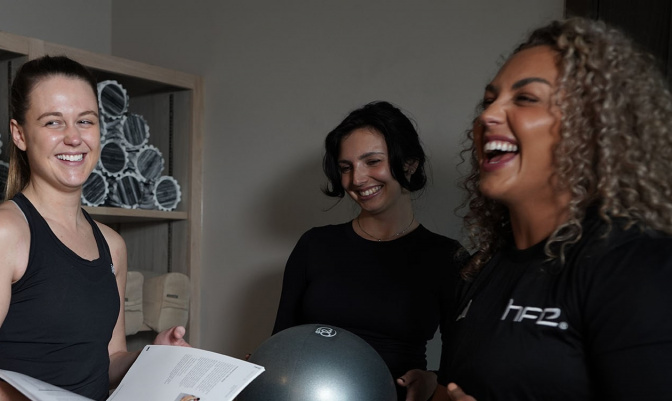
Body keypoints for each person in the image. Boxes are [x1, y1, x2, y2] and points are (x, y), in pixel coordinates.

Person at [439, 18, 672, 401]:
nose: (487, 115)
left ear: (591, 128)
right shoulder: (483, 268)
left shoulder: (635, 266)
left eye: (525, 98)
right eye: (489, 100)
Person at [0, 55, 189, 401]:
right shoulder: (3, 233)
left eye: (85, 121)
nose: (74, 138)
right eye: (53, 122)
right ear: (20, 134)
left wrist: (154, 358)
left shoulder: (112, 245)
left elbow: (109, 360)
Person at [272, 101, 466, 401]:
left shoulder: (446, 256)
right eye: (346, 167)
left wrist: (432, 379)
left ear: (409, 164)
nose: (357, 179)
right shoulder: (315, 245)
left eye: (372, 161)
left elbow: (464, 361)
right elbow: (279, 344)